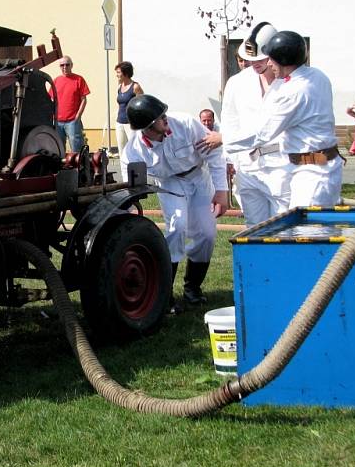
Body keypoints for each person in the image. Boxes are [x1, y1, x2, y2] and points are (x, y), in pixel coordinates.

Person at [120, 94, 228, 307]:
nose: (165, 118)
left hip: (198, 177)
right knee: (176, 228)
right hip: (169, 183)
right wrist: (131, 203)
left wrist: (222, 190)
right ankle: (164, 292)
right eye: (160, 118)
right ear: (148, 127)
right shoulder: (134, 149)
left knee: (207, 233)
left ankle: (193, 288)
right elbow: (129, 179)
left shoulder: (186, 123)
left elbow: (213, 153)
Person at [226, 30, 343, 208]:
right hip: (319, 166)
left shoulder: (293, 91)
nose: (269, 64)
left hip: (312, 172)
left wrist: (223, 140)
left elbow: (262, 133)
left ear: (283, 60)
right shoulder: (317, 76)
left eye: (271, 59)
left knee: (308, 232)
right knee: (312, 229)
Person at [217, 21, 291, 226]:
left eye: (260, 58)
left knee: (284, 227)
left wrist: (225, 140)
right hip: (247, 165)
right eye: (251, 58)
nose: (255, 63)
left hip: (282, 164)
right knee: (254, 227)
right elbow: (230, 121)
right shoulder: (237, 83)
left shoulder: (290, 83)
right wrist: (229, 161)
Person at [51, 55, 90, 152]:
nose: (64, 67)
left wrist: (78, 116)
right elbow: (51, 100)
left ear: (71, 65)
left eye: (67, 64)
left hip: (73, 121)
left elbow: (84, 100)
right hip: (58, 121)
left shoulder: (79, 79)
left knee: (77, 148)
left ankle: (80, 166)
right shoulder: (56, 81)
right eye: (62, 65)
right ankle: (62, 166)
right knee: (59, 148)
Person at [114, 61, 143, 155]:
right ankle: (124, 170)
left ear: (126, 73)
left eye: (119, 72)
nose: (117, 75)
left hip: (131, 124)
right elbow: (120, 105)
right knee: (122, 151)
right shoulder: (120, 87)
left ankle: (137, 169)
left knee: (135, 150)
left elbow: (142, 104)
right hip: (119, 123)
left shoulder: (135, 87)